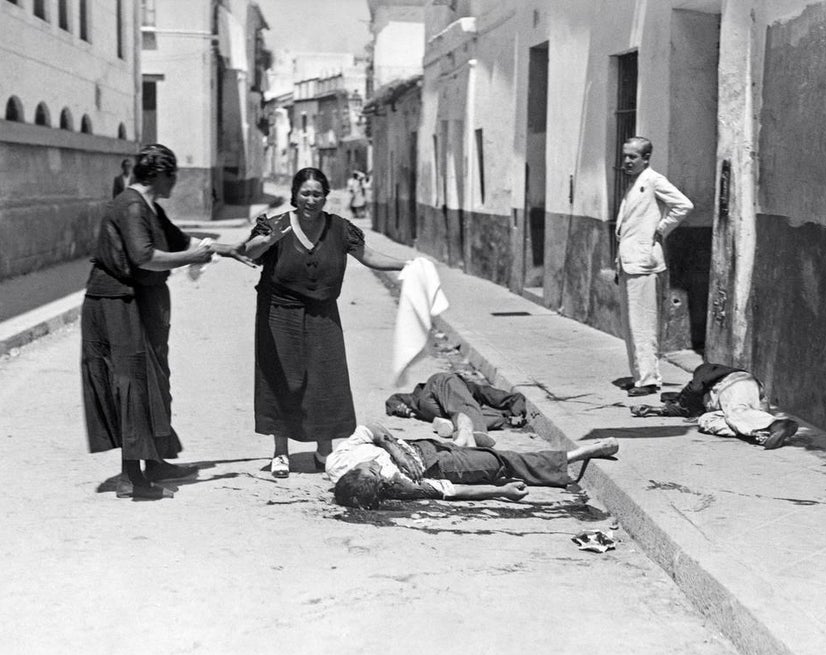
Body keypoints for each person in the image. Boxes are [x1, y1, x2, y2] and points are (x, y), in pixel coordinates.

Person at [81, 144, 249, 499]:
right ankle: (132, 478)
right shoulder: (130, 205)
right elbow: (144, 257)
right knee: (131, 384)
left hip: (137, 302)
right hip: (115, 302)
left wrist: (229, 249)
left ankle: (154, 461)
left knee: (153, 382)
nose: (176, 182)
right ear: (159, 174)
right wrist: (193, 256)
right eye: (174, 175)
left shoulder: (149, 208)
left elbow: (184, 241)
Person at [236, 167, 407, 478]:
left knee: (325, 377)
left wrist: (405, 264)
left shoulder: (339, 228)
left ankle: (324, 450)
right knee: (281, 378)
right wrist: (268, 240)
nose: (310, 200)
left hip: (323, 312)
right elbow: (247, 254)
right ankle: (280, 452)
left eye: (317, 194)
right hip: (279, 311)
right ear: (295, 195)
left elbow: (367, 255)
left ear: (326, 197)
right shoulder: (277, 224)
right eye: (305, 193)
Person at [327, 423, 619, 508]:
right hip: (440, 465)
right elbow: (449, 490)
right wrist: (499, 493)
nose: (378, 468)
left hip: (415, 445)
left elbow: (370, 428)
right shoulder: (394, 485)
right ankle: (578, 454)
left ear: (351, 471)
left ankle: (464, 439)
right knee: (504, 462)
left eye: (371, 467)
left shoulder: (337, 461)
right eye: (378, 475)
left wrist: (391, 448)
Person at [614, 137, 693, 397]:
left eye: (632, 157)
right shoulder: (633, 184)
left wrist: (661, 229)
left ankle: (648, 380)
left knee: (643, 324)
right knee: (630, 325)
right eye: (625, 156)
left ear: (646, 158)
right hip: (629, 263)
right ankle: (639, 376)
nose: (627, 161)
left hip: (644, 264)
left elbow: (683, 205)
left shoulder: (653, 180)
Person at [631, 363, 799, 450]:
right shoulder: (698, 403)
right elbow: (683, 409)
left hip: (736, 384)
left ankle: (777, 424)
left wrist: (683, 399)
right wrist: (655, 410)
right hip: (735, 404)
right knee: (706, 420)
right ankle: (762, 431)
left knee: (736, 413)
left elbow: (693, 390)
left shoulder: (706, 371)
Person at [385, 372, 527, 447]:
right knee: (449, 382)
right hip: (433, 394)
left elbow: (514, 398)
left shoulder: (476, 391)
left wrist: (517, 414)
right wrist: (400, 408)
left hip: (445, 413)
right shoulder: (455, 383)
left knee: (498, 418)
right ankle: (474, 432)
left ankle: (454, 426)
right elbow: (394, 399)